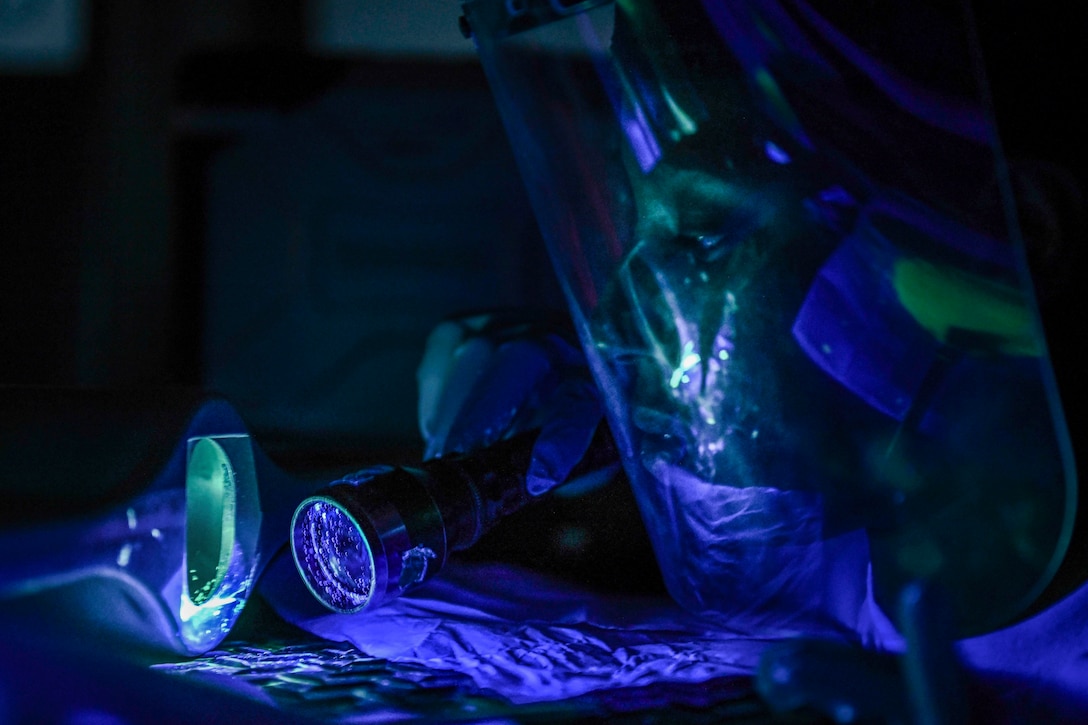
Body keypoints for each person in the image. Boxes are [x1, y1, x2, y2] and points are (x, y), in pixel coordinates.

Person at [415, 0, 1088, 719]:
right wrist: (552, 438)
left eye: (704, 231)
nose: (619, 325)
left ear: (1016, 234)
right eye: (629, 227)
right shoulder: (841, 558)